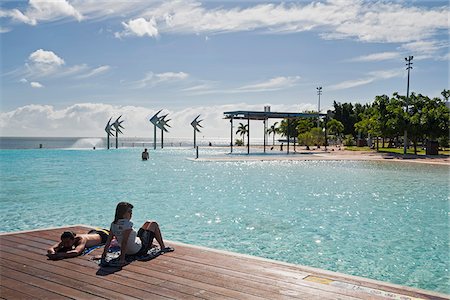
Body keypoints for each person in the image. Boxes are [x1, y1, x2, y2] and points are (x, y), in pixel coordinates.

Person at [101, 202, 172, 266]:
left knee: (147, 222)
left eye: (131, 212)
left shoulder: (113, 224)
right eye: (129, 211)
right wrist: (122, 259)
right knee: (154, 224)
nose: (131, 214)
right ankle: (163, 247)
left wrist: (103, 255)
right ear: (122, 213)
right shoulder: (127, 224)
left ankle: (151, 244)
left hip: (129, 249)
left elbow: (108, 241)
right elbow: (124, 242)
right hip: (139, 250)